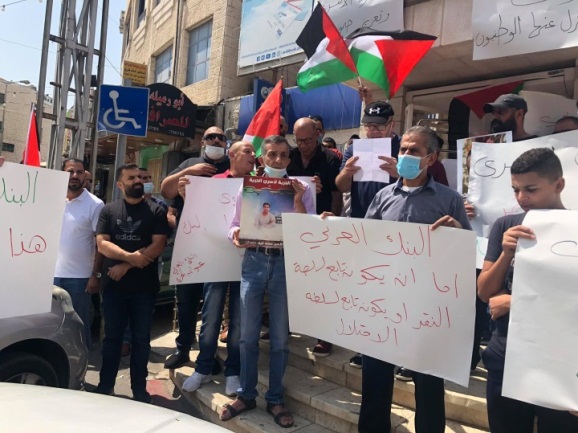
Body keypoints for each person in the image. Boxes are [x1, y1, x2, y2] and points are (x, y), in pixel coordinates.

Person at [358, 125, 471, 433]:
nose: (406, 155)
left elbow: (465, 253)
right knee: (376, 377)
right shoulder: (382, 197)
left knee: (428, 380)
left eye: (414, 151)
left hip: (427, 307)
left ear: (431, 158)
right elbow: (365, 242)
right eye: (403, 149)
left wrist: (459, 233)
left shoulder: (449, 200)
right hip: (385, 303)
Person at [478, 148, 578, 433]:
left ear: (558, 184)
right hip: (505, 356)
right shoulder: (506, 226)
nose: (522, 198)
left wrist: (515, 302)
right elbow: (485, 293)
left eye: (531, 189)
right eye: (515, 190)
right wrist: (506, 253)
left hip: (561, 362)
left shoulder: (575, 228)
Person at [220, 135, 315, 428]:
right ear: (262, 159)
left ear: (289, 159)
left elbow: (308, 230)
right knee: (247, 335)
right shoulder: (247, 188)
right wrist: (235, 234)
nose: (277, 160)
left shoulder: (304, 188)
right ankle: (246, 394)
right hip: (254, 262)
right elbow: (235, 223)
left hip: (285, 263)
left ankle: (275, 398)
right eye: (271, 154)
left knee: (280, 340)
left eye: (283, 155)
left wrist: (297, 200)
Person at [181, 141, 256, 397]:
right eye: (247, 151)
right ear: (232, 156)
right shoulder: (213, 183)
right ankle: (202, 367)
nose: (252, 156)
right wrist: (187, 196)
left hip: (246, 264)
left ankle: (233, 371)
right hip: (215, 261)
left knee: (237, 322)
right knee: (211, 318)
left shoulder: (260, 184)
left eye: (254, 153)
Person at [93, 163, 169, 403]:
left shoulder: (156, 211)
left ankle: (139, 389)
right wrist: (129, 257)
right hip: (114, 288)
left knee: (140, 340)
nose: (137, 180)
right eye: (131, 177)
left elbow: (158, 245)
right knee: (112, 338)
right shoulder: (108, 210)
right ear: (120, 184)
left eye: (139, 176)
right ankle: (106, 387)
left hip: (144, 289)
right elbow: (102, 244)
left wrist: (126, 265)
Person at [335, 99, 400, 369]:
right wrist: (348, 171)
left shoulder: (403, 148)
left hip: (393, 231)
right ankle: (367, 346)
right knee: (366, 290)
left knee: (394, 292)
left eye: (378, 126)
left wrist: (398, 172)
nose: (372, 131)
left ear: (391, 125)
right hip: (362, 226)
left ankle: (396, 348)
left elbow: (419, 184)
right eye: (368, 126)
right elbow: (340, 186)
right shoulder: (354, 148)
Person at [161, 126, 230, 370]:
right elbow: (165, 190)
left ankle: (208, 354)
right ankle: (183, 349)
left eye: (220, 137)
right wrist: (191, 171)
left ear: (225, 143)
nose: (215, 140)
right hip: (190, 244)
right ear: (203, 142)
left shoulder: (232, 167)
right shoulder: (189, 163)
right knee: (187, 300)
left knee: (213, 304)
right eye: (210, 137)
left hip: (221, 247)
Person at [289, 116, 342, 356]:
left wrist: (334, 222)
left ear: (318, 135)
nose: (303, 145)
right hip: (292, 225)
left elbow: (337, 194)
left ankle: (324, 335)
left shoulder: (331, 158)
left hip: (321, 225)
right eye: (299, 141)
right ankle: (286, 326)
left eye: (308, 140)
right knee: (292, 278)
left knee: (323, 280)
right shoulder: (287, 156)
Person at [53, 158, 104, 349]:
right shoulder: (51, 198)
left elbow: (101, 244)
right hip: (50, 276)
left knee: (78, 326)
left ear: (85, 175)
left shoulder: (95, 204)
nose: (75, 175)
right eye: (70, 171)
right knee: (52, 325)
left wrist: (95, 275)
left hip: (79, 279)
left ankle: (80, 371)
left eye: (80, 172)